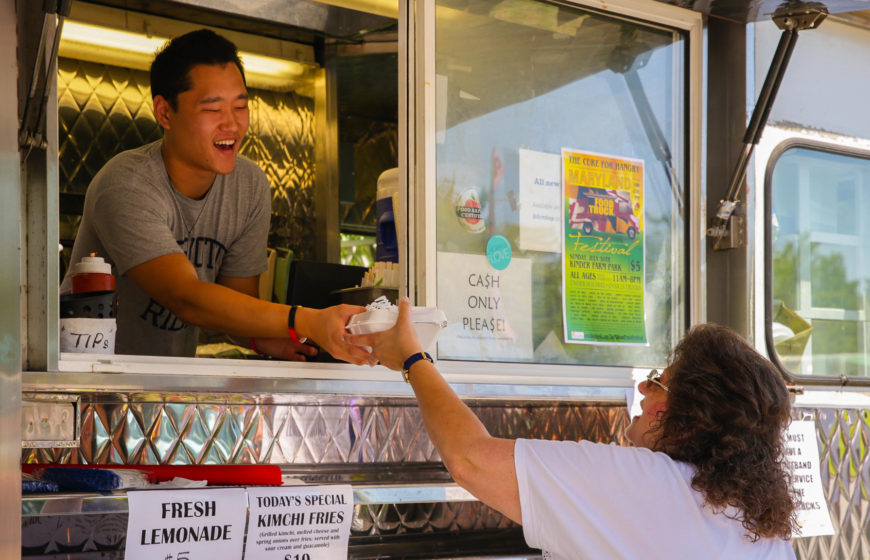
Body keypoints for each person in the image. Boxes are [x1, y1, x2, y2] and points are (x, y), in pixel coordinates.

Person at [349, 300, 798, 559]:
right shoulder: (766, 528)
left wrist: (411, 358)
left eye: (660, 381)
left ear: (691, 417)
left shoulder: (651, 485)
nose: (642, 385)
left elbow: (470, 458)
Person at [60, 29, 370, 364]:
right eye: (212, 109)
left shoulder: (248, 186)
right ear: (164, 113)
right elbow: (186, 298)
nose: (232, 124)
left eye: (241, 106)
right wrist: (305, 319)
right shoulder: (126, 184)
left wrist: (265, 339)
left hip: (171, 382)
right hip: (88, 381)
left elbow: (237, 305)